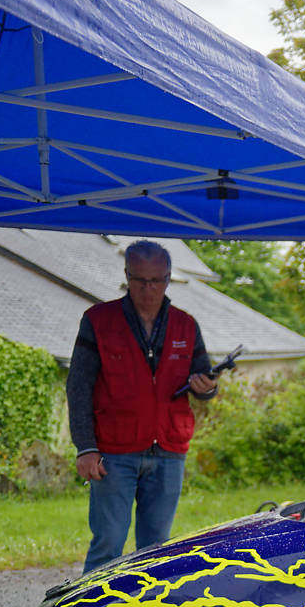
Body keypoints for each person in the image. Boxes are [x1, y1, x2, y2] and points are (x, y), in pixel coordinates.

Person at [69, 241, 216, 572]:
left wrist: (207, 388)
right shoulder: (98, 321)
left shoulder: (185, 325)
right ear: (127, 276)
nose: (148, 289)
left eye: (156, 281)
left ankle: (146, 606)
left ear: (168, 279)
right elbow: (78, 387)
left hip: (168, 451)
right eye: (140, 280)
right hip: (113, 453)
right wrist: (85, 448)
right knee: (108, 544)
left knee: (156, 550)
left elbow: (204, 380)